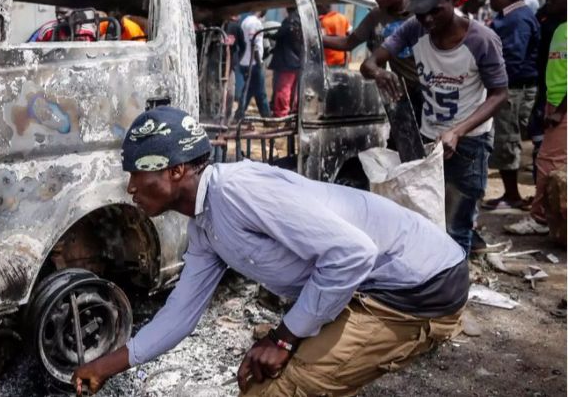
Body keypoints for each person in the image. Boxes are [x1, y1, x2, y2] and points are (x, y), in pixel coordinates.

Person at [71, 106, 468, 396]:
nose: (130, 188)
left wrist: (282, 339)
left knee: (271, 390)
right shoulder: (205, 223)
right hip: (370, 284)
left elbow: (353, 254)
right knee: (270, 370)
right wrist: (106, 366)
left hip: (417, 290)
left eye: (137, 173)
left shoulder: (238, 191)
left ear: (175, 171)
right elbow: (180, 313)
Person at [361, 0, 508, 252]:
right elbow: (369, 64)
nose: (427, 20)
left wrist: (457, 131)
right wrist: (379, 72)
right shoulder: (414, 29)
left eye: (435, 12)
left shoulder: (482, 40)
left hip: (469, 142)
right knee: (427, 217)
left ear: (453, 1)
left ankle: (453, 289)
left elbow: (499, 94)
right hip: (429, 138)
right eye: (420, 13)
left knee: (456, 226)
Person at [323, 0, 423, 124]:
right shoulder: (377, 15)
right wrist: (317, 37)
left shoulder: (423, 12)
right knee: (401, 142)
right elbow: (348, 43)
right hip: (404, 92)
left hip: (430, 91)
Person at [506, 0, 567, 235]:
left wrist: (560, 110)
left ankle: (540, 218)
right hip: (553, 102)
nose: (548, 3)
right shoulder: (561, 28)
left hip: (562, 107)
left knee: (547, 161)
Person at [482, 0, 541, 211]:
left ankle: (513, 195)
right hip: (516, 86)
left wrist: (494, 84)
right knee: (508, 139)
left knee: (507, 140)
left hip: (513, 89)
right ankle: (511, 193)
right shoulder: (516, 16)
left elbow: (513, 59)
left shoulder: (516, 19)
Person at [233, 11, 270, 119]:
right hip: (253, 63)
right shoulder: (256, 23)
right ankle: (267, 117)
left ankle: (239, 114)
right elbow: (255, 45)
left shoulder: (245, 21)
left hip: (244, 62)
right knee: (260, 93)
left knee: (248, 90)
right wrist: (259, 63)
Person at [268, 8, 302, 117]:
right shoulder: (303, 21)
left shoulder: (289, 21)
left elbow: (279, 35)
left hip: (287, 62)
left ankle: (281, 113)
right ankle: (293, 111)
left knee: (283, 89)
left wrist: (268, 35)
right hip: (298, 61)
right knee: (294, 89)